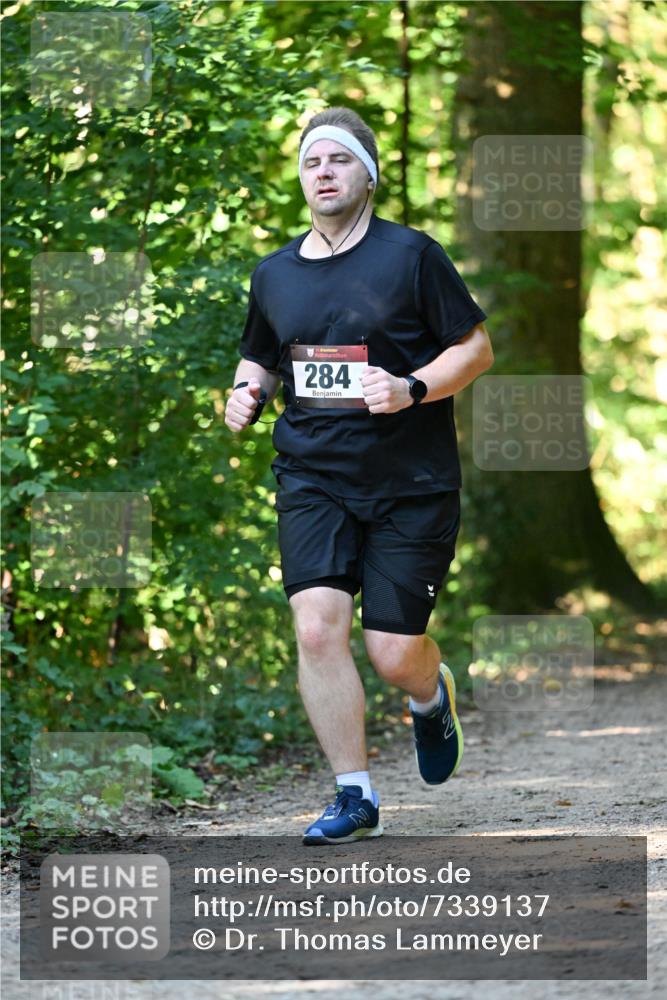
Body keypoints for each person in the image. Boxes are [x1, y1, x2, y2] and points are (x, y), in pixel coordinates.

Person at [225, 107, 493, 845]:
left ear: (366, 174)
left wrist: (410, 388)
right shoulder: (273, 273)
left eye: (338, 160)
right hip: (312, 473)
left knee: (392, 653)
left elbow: (474, 351)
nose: (323, 173)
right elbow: (261, 357)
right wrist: (245, 393)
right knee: (315, 628)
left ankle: (429, 696)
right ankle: (355, 796)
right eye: (312, 162)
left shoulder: (411, 256)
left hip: (411, 481)